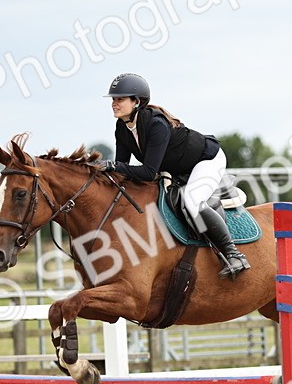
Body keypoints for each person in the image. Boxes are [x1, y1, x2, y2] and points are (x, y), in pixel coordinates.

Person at [100, 73, 250, 279]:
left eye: (120, 99)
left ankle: (234, 255)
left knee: (192, 201)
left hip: (206, 160)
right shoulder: (122, 128)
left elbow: (148, 172)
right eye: (113, 99)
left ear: (137, 102)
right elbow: (121, 168)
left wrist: (113, 166)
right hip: (179, 168)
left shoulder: (156, 125)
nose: (114, 103)